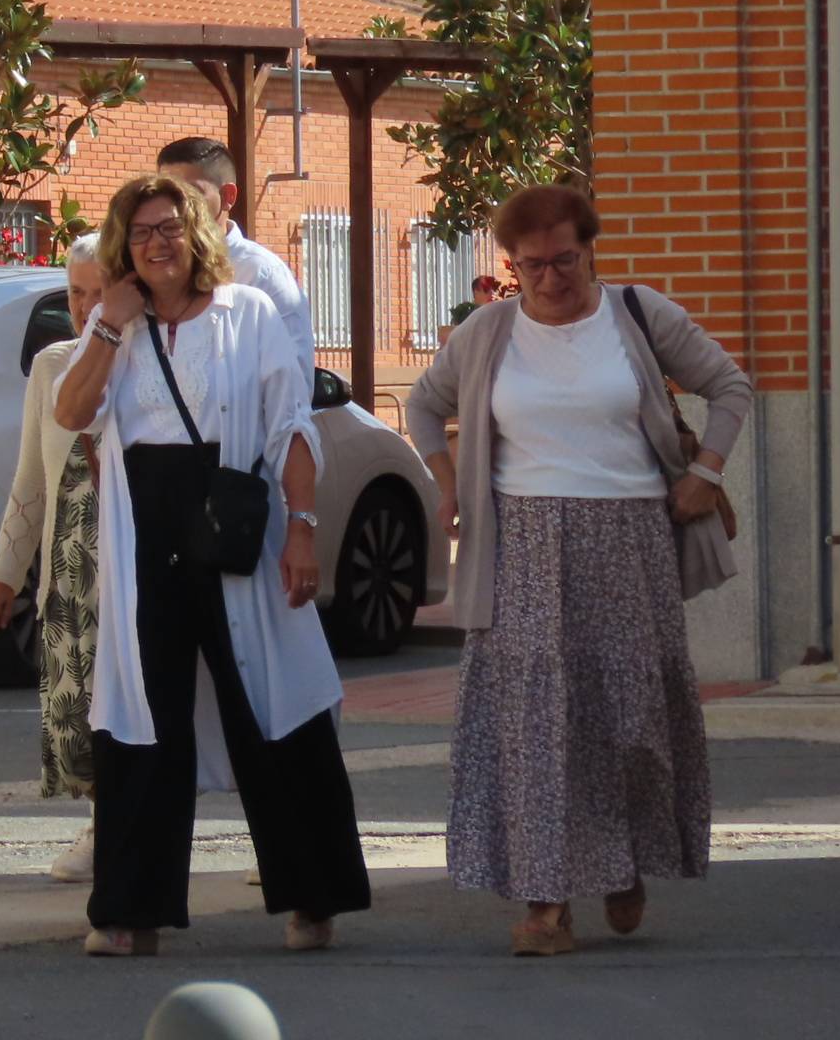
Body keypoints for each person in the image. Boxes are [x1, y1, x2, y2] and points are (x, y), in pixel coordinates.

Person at [405, 184, 748, 958]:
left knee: (628, 718)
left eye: (565, 259)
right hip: (521, 544)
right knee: (535, 725)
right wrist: (447, 479)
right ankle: (544, 903)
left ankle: (623, 860)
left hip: (629, 541)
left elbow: (730, 386)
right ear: (511, 265)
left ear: (590, 248)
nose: (551, 279)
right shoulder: (488, 331)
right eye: (532, 266)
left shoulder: (636, 314)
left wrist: (709, 472)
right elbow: (425, 406)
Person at [54, 174, 368, 958]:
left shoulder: (247, 314)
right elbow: (70, 412)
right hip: (144, 532)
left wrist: (301, 530)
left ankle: (312, 896)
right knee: (141, 717)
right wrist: (106, 325)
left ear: (196, 235)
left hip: (232, 524)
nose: (156, 244)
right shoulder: (114, 326)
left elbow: (290, 426)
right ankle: (130, 910)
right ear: (124, 247)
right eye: (141, 233)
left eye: (169, 229)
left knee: (269, 706)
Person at [0, 235, 106, 882]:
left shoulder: (148, 361)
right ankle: (100, 823)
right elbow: (30, 477)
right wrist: (3, 571)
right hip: (67, 575)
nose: (86, 307)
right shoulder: (53, 365)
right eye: (75, 293)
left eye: (99, 292)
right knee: (74, 705)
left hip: (128, 577)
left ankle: (120, 831)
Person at [156, 137, 313, 373]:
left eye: (191, 194)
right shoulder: (153, 268)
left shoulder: (260, 273)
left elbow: (295, 381)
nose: (176, 207)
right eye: (166, 194)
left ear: (228, 196)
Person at [437, 274, 502, 350]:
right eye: (486, 289)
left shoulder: (501, 314)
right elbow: (443, 335)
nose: (492, 292)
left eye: (495, 288)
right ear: (476, 292)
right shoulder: (465, 312)